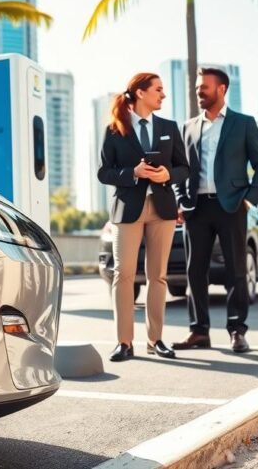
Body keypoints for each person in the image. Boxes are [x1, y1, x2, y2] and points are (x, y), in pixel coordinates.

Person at [172, 67, 258, 354]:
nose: (199, 91)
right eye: (197, 87)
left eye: (204, 86)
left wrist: (250, 198)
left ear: (222, 89)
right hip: (196, 207)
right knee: (195, 272)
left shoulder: (244, 124)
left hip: (232, 207)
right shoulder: (188, 127)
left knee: (236, 271)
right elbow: (181, 170)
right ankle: (199, 331)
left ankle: (237, 331)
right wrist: (181, 199)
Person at [98, 72, 189, 362]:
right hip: (128, 210)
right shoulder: (115, 129)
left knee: (157, 276)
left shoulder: (169, 127)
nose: (163, 95)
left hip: (162, 209)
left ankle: (156, 340)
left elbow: (185, 168)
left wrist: (168, 174)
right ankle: (124, 343)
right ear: (140, 92)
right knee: (123, 275)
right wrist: (132, 173)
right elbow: (104, 172)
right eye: (158, 90)